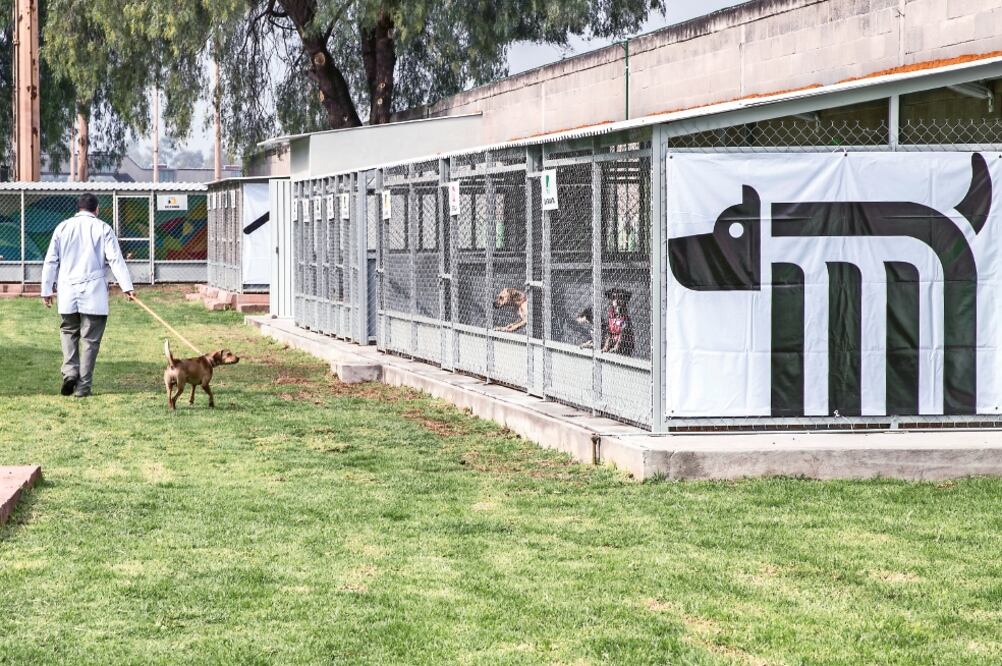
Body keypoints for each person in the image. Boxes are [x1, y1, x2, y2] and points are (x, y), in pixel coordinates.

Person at [40, 193, 135, 398]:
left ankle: (70, 373)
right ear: (96, 209)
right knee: (90, 340)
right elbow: (115, 259)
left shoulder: (62, 227)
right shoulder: (103, 228)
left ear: (78, 208)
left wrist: (46, 290)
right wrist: (126, 286)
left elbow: (51, 261)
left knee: (68, 332)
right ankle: (83, 387)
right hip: (94, 293)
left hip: (67, 290)